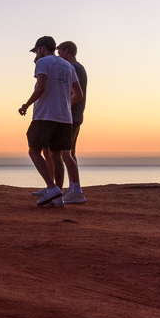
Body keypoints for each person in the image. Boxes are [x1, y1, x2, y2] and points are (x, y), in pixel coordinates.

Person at [18, 36, 82, 206]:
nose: (36, 54)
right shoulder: (68, 65)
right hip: (65, 118)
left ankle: (51, 187)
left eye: (36, 50)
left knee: (34, 150)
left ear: (42, 48)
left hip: (45, 116)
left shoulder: (43, 62)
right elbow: (79, 94)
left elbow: (41, 87)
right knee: (57, 156)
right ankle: (58, 198)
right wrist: (64, 104)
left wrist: (26, 105)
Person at [55, 41, 87, 203]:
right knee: (70, 153)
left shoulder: (74, 69)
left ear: (67, 51)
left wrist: (63, 107)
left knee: (65, 153)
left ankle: (77, 191)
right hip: (76, 115)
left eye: (60, 52)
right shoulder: (79, 68)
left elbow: (76, 93)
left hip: (71, 116)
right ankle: (73, 188)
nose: (59, 56)